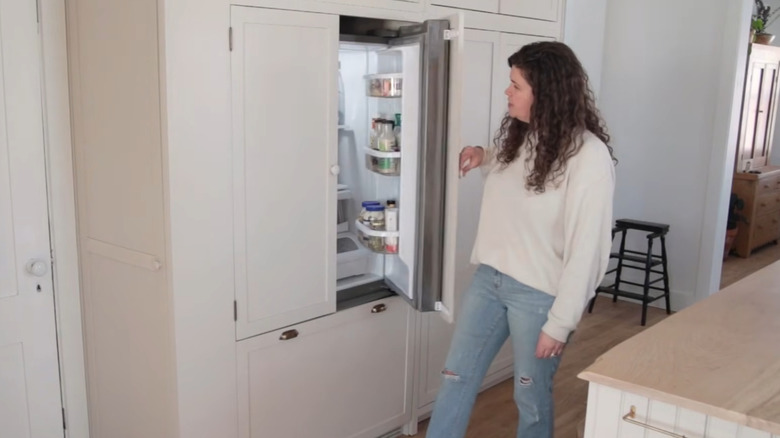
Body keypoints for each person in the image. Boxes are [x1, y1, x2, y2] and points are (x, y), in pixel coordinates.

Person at [425, 41, 616, 438]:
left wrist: (560, 324)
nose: (507, 93)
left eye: (516, 85)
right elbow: (516, 174)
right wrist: (483, 154)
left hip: (539, 296)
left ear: (545, 93)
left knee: (530, 398)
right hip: (489, 281)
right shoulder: (522, 138)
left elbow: (589, 250)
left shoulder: (588, 157)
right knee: (454, 378)